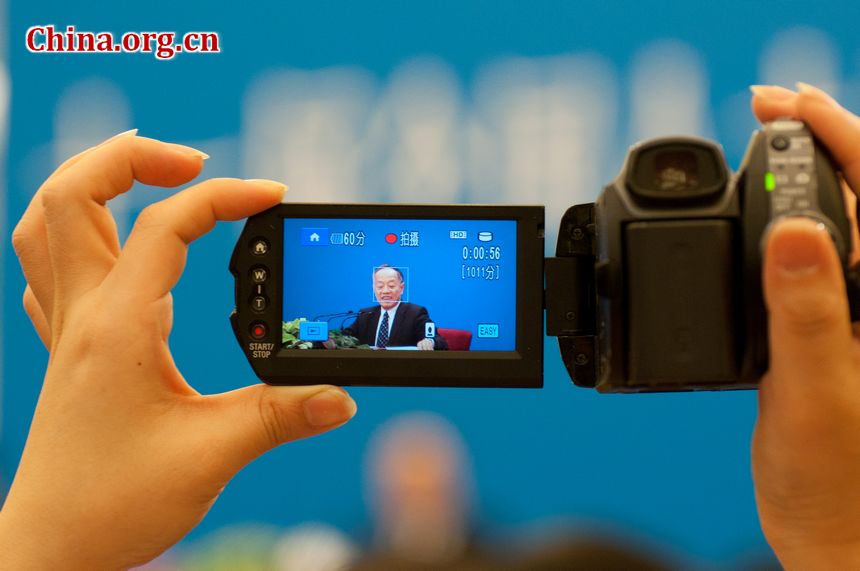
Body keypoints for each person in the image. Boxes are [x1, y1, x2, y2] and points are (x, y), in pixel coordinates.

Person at [1, 82, 859, 570]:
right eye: (372, 275)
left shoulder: (420, 316)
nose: (380, 284)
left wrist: (39, 549)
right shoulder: (342, 320)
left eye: (388, 275)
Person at [342, 264, 448, 350]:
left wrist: (430, 341)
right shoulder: (365, 315)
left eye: (391, 286)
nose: (385, 291)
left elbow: (439, 340)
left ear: (402, 288)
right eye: (380, 286)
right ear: (374, 289)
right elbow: (345, 337)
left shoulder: (415, 313)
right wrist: (330, 342)